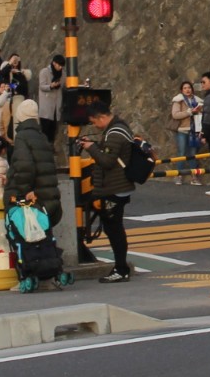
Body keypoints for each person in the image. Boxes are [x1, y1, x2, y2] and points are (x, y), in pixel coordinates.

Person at [78, 98, 142, 283]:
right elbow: (109, 154)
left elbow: (107, 161)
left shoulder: (114, 133)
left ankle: (120, 269)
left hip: (115, 187)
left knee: (114, 230)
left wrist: (91, 148)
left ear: (100, 117)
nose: (95, 126)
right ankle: (120, 267)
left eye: (94, 122)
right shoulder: (120, 127)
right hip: (117, 186)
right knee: (114, 228)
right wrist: (96, 146)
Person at [4, 96, 62, 254]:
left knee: (27, 238)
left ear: (20, 115)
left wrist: (22, 192)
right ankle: (50, 266)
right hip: (48, 196)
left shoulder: (22, 136)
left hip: (32, 198)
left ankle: (31, 269)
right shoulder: (42, 137)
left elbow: (24, 167)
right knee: (43, 237)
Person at [171, 80, 203, 186]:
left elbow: (201, 116)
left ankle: (194, 176)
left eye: (189, 87)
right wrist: (188, 112)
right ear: (181, 90)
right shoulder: (178, 101)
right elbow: (175, 115)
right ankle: (179, 175)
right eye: (185, 88)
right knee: (181, 152)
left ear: (192, 89)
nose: (187, 90)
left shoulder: (198, 101)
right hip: (182, 130)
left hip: (194, 130)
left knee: (193, 154)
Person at [37, 55, 65, 126]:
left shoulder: (63, 74)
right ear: (54, 63)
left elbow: (65, 85)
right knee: (45, 130)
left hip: (56, 106)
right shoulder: (44, 72)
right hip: (46, 107)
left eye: (62, 66)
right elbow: (42, 86)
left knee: (53, 131)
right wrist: (51, 86)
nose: (60, 67)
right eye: (59, 65)